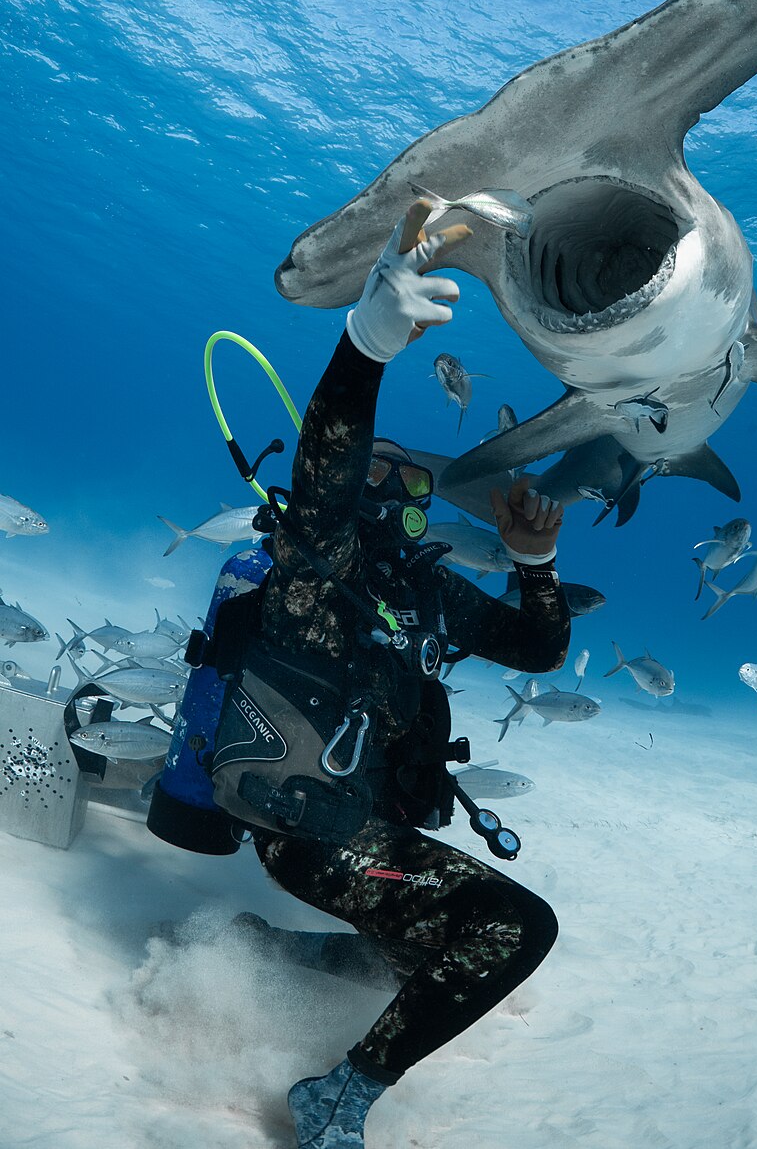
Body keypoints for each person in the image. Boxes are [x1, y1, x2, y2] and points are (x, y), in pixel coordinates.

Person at [214, 201, 570, 1148]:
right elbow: (328, 464)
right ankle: (337, 1094)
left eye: (419, 480)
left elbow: (539, 651)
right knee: (516, 927)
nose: (413, 487)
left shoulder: (428, 595)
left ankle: (287, 952)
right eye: (394, 473)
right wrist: (367, 343)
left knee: (410, 960)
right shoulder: (319, 562)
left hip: (365, 823)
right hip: (309, 825)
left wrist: (534, 565)